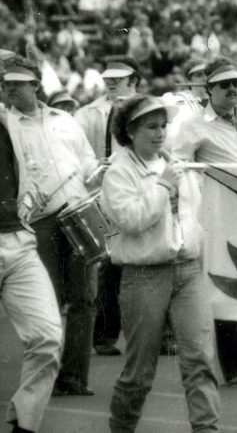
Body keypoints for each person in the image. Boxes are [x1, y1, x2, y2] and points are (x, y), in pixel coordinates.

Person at [101, 94, 220, 432]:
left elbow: (192, 217)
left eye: (163, 126)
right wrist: (165, 183)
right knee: (139, 371)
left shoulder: (174, 163)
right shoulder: (118, 172)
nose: (159, 133)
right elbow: (131, 219)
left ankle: (206, 429)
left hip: (187, 270)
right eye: (151, 126)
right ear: (130, 131)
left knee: (200, 360)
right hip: (144, 274)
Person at [173, 57, 237, 388]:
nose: (232, 89)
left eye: (236, 83)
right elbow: (179, 166)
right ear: (209, 90)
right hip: (218, 218)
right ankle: (234, 369)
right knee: (227, 286)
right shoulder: (193, 125)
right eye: (224, 85)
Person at [2, 55, 101, 396]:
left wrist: (97, 176)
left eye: (17, 82)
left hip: (78, 213)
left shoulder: (64, 120)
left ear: (35, 85)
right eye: (7, 82)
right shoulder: (6, 125)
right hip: (39, 223)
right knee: (50, 302)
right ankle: (46, 377)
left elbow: (87, 161)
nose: (10, 87)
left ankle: (73, 377)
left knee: (84, 298)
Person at [0, 93, 63, 433]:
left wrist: (32, 194)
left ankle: (24, 427)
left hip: (19, 241)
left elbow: (36, 171)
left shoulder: (11, 121)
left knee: (47, 337)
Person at [75, 56, 140, 358]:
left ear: (134, 79)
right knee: (109, 264)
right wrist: (93, 167)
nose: (113, 82)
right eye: (109, 78)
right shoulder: (88, 113)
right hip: (102, 193)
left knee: (148, 260)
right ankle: (104, 335)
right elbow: (79, 150)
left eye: (120, 78)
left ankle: (156, 334)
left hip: (137, 190)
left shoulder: (144, 108)